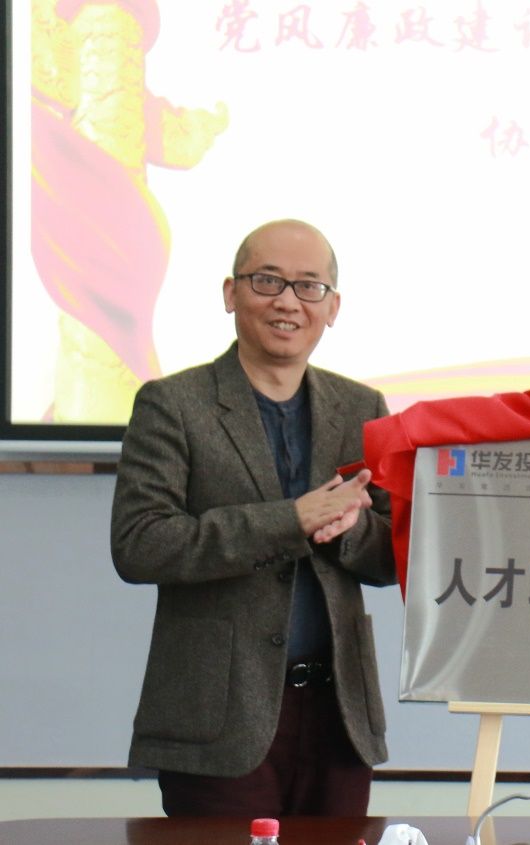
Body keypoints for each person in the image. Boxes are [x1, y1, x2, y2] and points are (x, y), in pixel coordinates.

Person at [111, 219, 396, 816]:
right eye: (267, 281)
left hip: (339, 714)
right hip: (218, 717)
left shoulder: (362, 408)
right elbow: (140, 544)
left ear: (332, 307)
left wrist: (351, 532)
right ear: (231, 293)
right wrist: (289, 520)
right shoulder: (173, 404)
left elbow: (392, 556)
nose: (288, 301)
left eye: (309, 286)